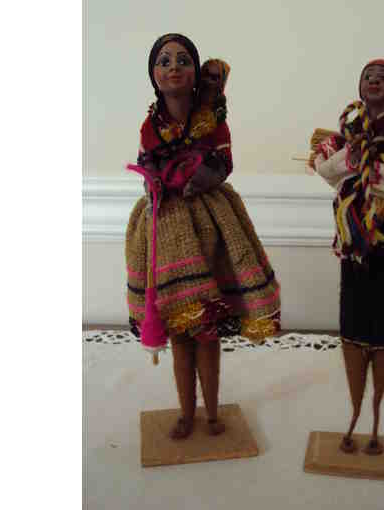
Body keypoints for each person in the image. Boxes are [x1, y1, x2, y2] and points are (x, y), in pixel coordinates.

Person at [126, 34, 281, 439]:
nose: (173, 67)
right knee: (181, 332)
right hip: (169, 222)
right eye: (164, 61)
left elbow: (224, 160)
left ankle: (211, 413)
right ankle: (186, 413)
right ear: (153, 75)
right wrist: (155, 182)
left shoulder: (213, 118)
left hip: (212, 219)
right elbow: (146, 163)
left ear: (196, 71)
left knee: (208, 331)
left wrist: (200, 177)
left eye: (182, 60)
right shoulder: (150, 126)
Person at [311, 59, 384, 455]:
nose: (375, 82)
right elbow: (327, 170)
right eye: (368, 77)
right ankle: (354, 413)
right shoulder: (347, 134)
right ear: (360, 88)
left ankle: (376, 418)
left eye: (383, 79)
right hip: (353, 246)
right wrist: (356, 161)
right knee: (353, 319)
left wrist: (366, 169)